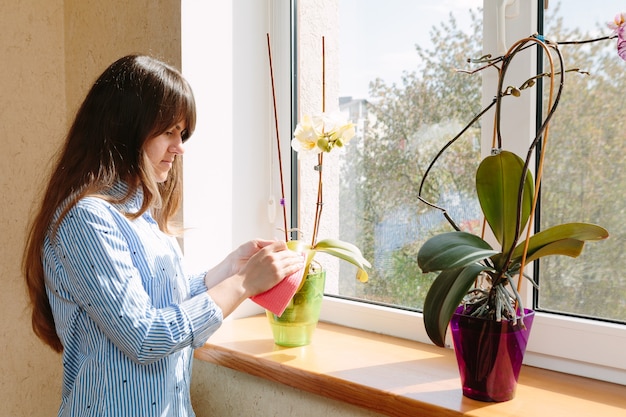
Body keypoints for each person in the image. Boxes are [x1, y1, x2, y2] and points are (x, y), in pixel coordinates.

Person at [22, 55, 303, 417]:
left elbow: (158, 302)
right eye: (169, 131)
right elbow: (145, 335)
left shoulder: (139, 214)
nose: (180, 146)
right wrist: (244, 283)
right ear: (126, 127)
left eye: (182, 133)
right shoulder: (86, 220)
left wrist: (230, 270)